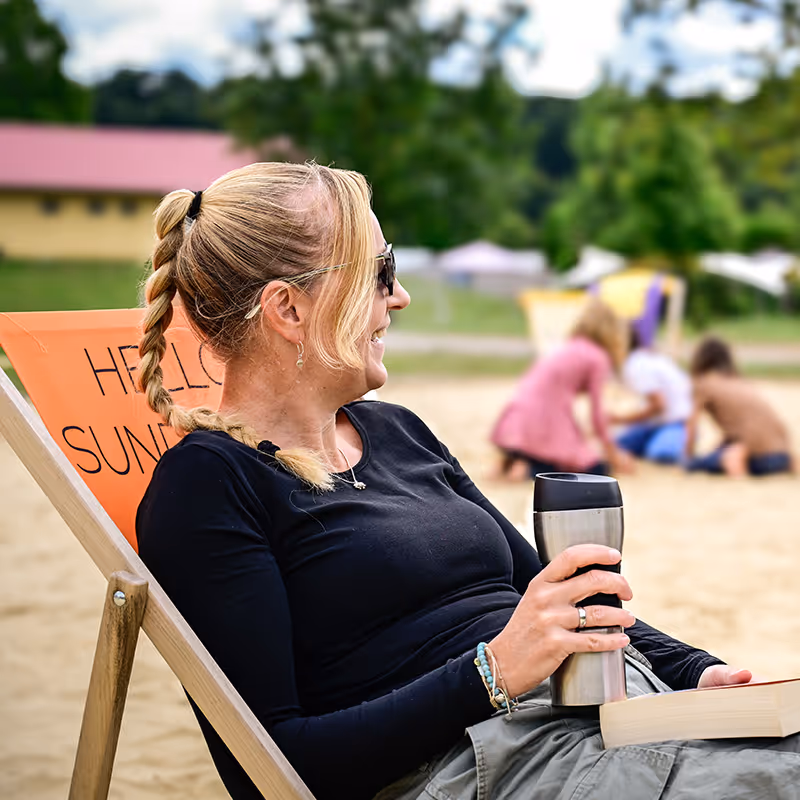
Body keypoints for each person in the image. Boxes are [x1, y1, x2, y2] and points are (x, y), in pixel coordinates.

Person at [136, 162, 799, 800]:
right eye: (380, 272)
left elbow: (562, 602)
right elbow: (275, 767)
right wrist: (493, 672)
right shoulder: (208, 484)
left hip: (619, 714)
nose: (400, 296)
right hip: (487, 764)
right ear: (288, 309)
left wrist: (699, 672)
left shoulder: (399, 432)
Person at [489, 300, 631, 480]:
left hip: (515, 421)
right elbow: (597, 416)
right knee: (597, 469)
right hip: (542, 424)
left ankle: (510, 461)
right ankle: (527, 470)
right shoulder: (597, 357)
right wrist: (613, 455)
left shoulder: (564, 348)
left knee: (558, 448)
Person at [684, 336, 793, 477]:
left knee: (696, 464)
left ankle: (733, 459)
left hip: (755, 456)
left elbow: (691, 424)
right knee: (721, 450)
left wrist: (687, 457)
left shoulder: (704, 383)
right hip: (782, 456)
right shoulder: (739, 381)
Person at [611, 325, 692, 465]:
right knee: (619, 444)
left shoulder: (635, 364)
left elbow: (659, 404)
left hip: (676, 423)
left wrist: (620, 419)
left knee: (660, 454)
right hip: (664, 422)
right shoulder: (644, 358)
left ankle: (670, 443)